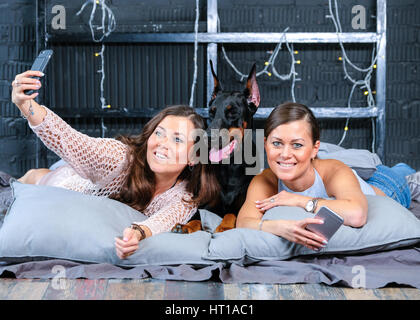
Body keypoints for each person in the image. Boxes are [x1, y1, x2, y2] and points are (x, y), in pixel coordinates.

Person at [10, 70, 219, 259]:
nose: (162, 144)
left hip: (81, 178)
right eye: (159, 133)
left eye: (177, 139)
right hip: (63, 183)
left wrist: (136, 234)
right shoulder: (121, 158)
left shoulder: (185, 195)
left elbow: (163, 221)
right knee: (31, 180)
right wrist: (26, 105)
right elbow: (71, 142)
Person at [236, 102, 419, 251]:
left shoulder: (332, 170)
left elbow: (357, 215)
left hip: (387, 185)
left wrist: (298, 200)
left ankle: (403, 171)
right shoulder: (264, 180)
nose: (285, 153)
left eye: (297, 145)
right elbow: (244, 222)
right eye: (277, 143)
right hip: (342, 179)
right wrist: (278, 227)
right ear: (265, 144)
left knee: (406, 177)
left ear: (314, 148)